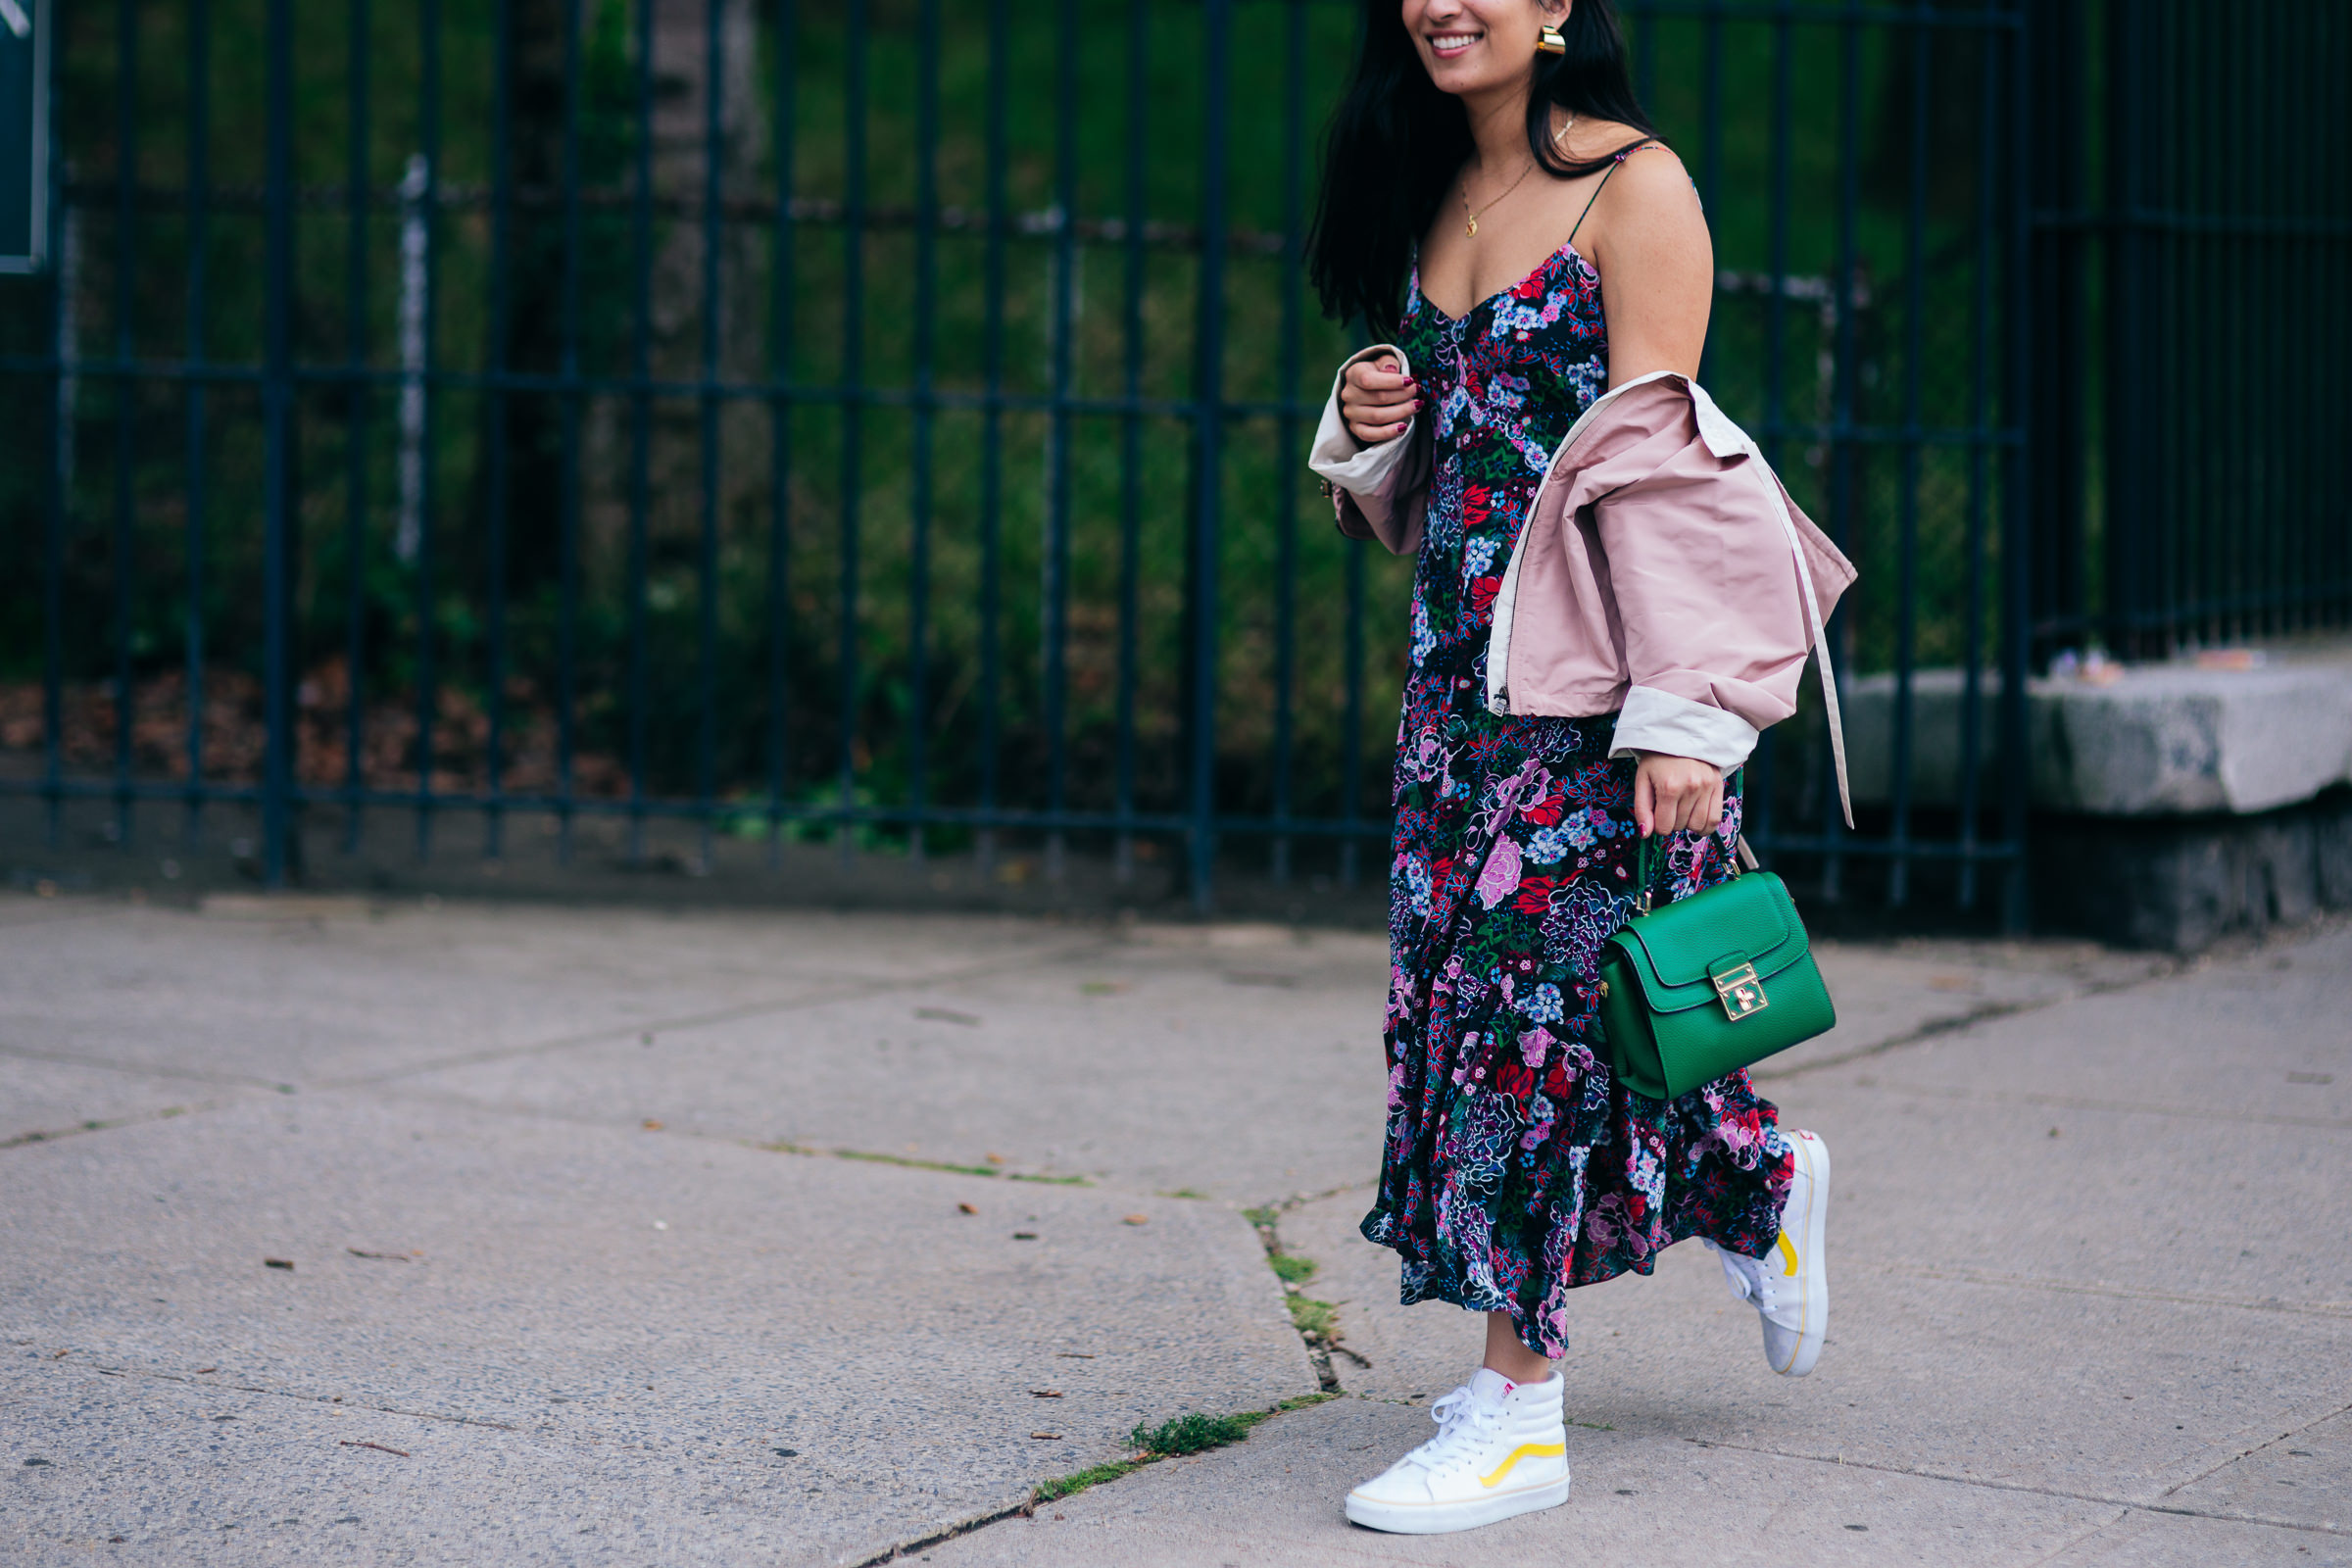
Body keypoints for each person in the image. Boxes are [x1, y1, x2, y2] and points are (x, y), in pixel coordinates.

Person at [1304, 0, 1846, 1536]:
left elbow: (1665, 468)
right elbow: (1451, 477)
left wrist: (1684, 718)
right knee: (1525, 1012)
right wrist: (1365, 427)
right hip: (1458, 692)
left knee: (1517, 1038)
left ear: (1558, 10)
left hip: (1597, 699)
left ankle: (1517, 1409)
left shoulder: (1637, 189)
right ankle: (1755, 1178)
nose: (1443, 1)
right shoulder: (1428, 188)